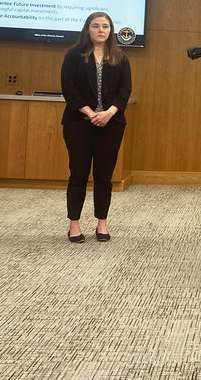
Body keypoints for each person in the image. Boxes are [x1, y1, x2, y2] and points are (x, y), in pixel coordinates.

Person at [60, 12, 132, 243]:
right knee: (78, 173)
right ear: (87, 29)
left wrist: (109, 113)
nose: (101, 30)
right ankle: (74, 225)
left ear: (111, 30)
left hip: (111, 124)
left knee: (104, 176)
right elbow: (68, 88)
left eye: (105, 26)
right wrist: (91, 113)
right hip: (79, 122)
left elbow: (125, 90)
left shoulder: (120, 57)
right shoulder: (74, 55)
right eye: (96, 26)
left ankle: (102, 223)